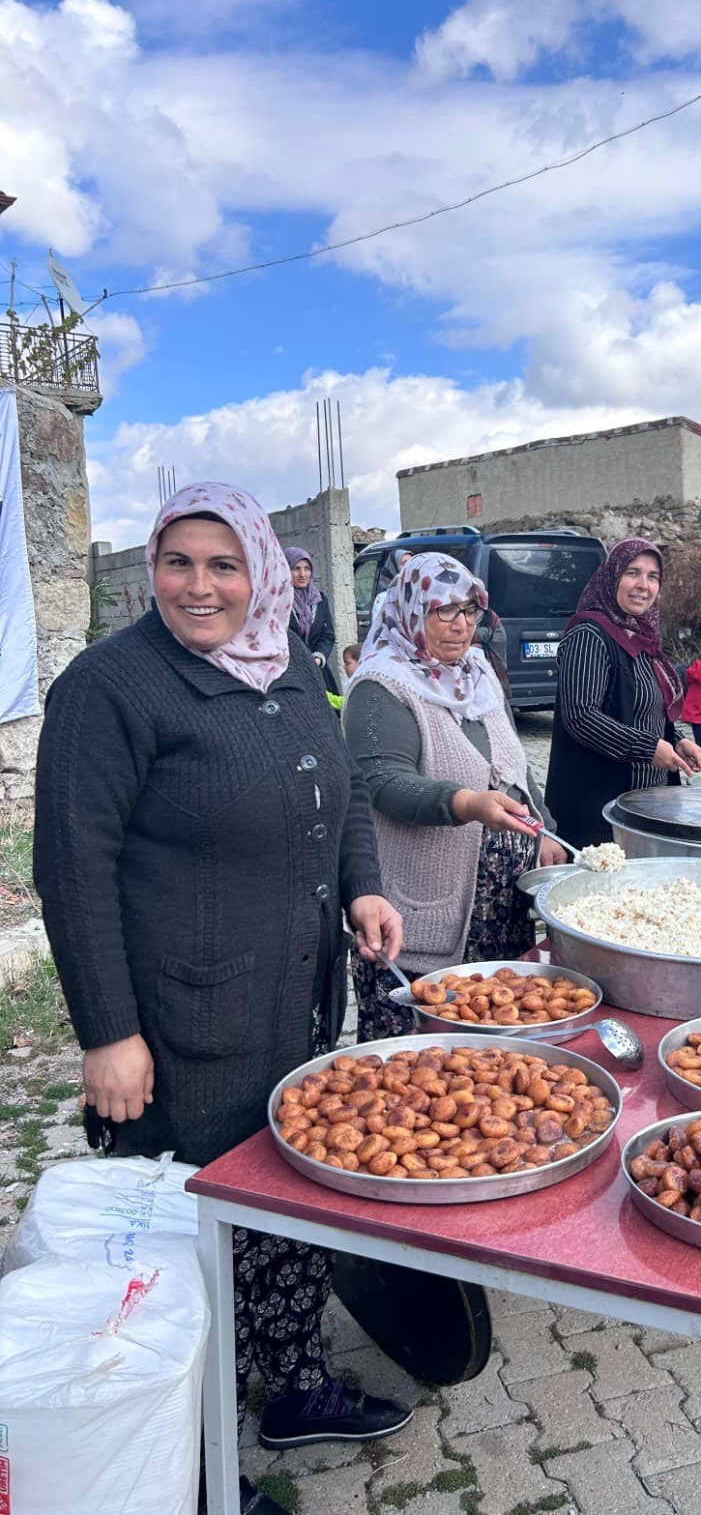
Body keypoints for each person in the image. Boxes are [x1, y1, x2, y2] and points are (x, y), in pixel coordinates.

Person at [33, 484, 410, 1515]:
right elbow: (72, 870)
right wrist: (108, 1035)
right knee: (186, 1250)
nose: (199, 587)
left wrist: (365, 885)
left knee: (286, 1208)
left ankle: (294, 1387)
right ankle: (188, 1470)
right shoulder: (109, 688)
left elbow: (341, 788)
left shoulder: (290, 661)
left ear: (261, 573)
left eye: (223, 565)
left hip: (295, 1008)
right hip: (182, 1028)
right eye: (178, 563)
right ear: (150, 571)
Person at [343, 552, 566, 1040]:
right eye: (443, 610)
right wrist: (466, 803)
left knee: (495, 1038)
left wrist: (544, 829)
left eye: (469, 609)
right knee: (418, 1057)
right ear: (409, 612)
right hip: (427, 908)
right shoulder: (380, 687)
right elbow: (381, 781)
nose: (461, 624)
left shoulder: (477, 673)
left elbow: (513, 764)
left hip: (498, 904)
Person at [544, 538, 701, 848]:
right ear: (612, 577)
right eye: (632, 573)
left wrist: (676, 740)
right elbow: (580, 717)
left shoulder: (640, 637)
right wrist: (649, 748)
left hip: (646, 808)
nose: (643, 585)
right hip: (599, 812)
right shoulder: (589, 635)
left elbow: (641, 709)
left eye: (652, 576)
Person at [286, 545, 339, 695]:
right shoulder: (278, 601)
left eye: (307, 568)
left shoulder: (319, 599)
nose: (302, 574)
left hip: (317, 671)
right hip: (289, 673)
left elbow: (327, 635)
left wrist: (318, 657)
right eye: (296, 568)